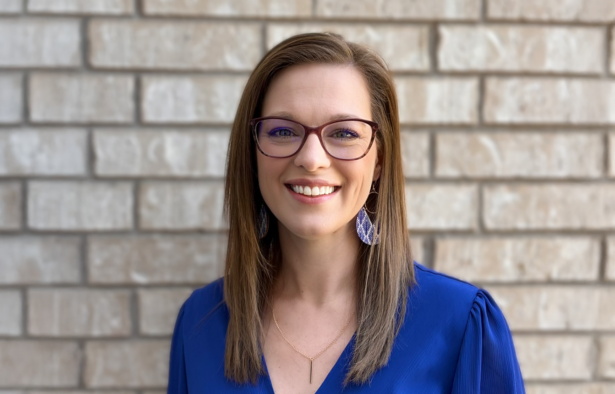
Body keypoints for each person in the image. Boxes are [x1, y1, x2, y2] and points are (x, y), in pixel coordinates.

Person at [167, 32, 525, 393]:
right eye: (281, 130)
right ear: (253, 153)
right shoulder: (200, 322)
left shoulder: (460, 323)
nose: (311, 158)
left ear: (379, 159)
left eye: (343, 133)